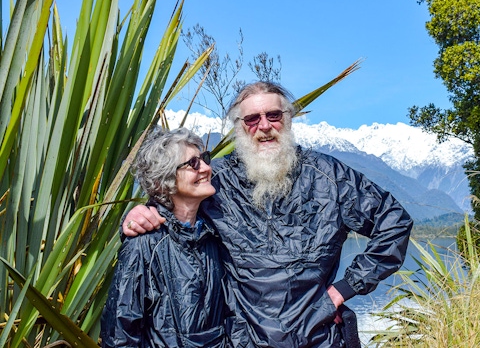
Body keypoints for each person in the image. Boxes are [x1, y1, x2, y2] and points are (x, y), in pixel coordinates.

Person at [123, 81, 413, 347]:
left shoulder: (329, 176)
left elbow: (394, 223)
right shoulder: (215, 180)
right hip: (242, 340)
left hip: (319, 336)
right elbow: (172, 209)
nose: (264, 126)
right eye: (252, 119)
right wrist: (140, 214)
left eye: (273, 115)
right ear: (240, 126)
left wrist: (343, 290)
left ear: (287, 119)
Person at [101, 128, 232, 348]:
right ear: (164, 181)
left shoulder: (214, 234)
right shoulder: (144, 243)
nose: (207, 168)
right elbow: (121, 331)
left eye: (204, 159)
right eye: (193, 164)